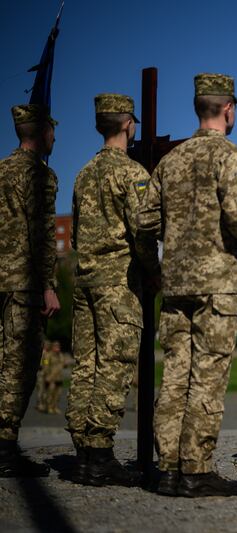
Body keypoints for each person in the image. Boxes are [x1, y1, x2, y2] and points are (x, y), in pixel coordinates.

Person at [138, 73, 237, 498]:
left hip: (175, 285)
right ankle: (196, 469)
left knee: (174, 376)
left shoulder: (171, 161)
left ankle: (167, 467)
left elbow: (146, 221)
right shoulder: (232, 156)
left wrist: (155, 267)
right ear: (228, 108)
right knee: (207, 377)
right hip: (216, 285)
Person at [64, 94, 158, 487]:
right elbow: (143, 230)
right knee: (114, 366)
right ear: (127, 124)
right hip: (118, 283)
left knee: (85, 365)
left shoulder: (83, 173)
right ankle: (100, 456)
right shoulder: (131, 173)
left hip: (84, 280)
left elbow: (74, 235)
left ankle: (85, 450)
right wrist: (154, 273)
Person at [0, 104, 60, 477]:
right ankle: (5, 448)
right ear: (40, 132)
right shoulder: (40, 176)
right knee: (18, 365)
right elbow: (41, 235)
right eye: (52, 130)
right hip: (22, 281)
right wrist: (48, 285)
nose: (56, 136)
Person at [36, 340, 65, 414]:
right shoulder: (48, 355)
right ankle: (49, 407)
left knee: (58, 394)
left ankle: (55, 407)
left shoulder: (61, 355)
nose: (57, 348)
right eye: (55, 346)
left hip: (59, 378)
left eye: (58, 346)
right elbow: (45, 366)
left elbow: (63, 364)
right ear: (52, 347)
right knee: (50, 393)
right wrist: (47, 376)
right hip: (51, 378)